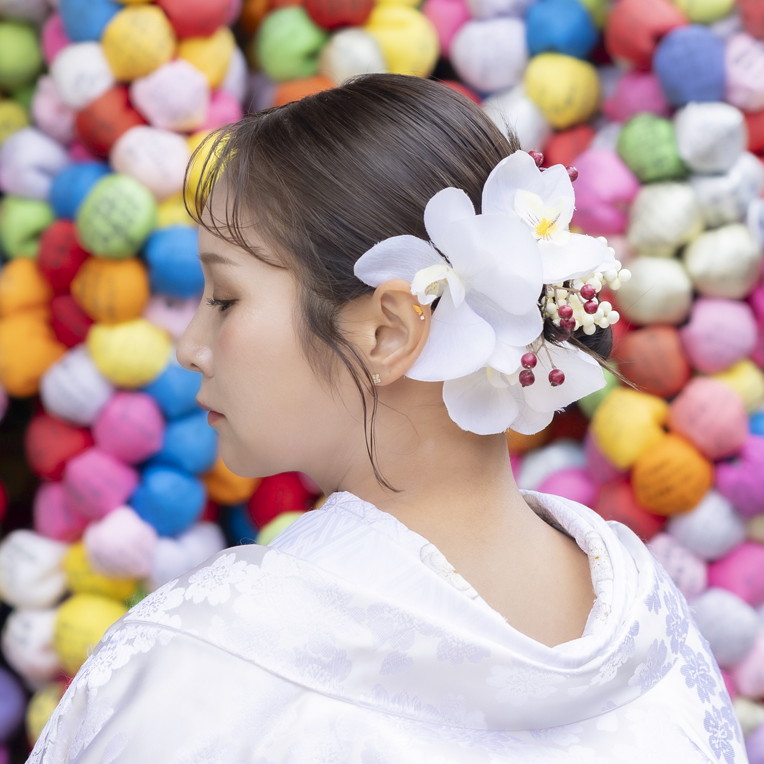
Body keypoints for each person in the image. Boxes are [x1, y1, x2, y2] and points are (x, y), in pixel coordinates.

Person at [28, 74, 746, 763]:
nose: (190, 348)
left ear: (387, 331)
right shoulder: (653, 629)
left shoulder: (209, 663)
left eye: (223, 298)